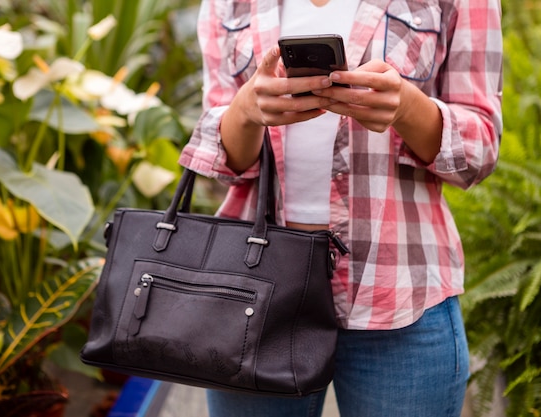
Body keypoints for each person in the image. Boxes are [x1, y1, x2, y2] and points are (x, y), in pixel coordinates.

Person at [178, 0, 503, 416]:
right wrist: (245, 111)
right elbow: (228, 165)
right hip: (256, 292)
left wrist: (406, 106)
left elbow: (480, 150)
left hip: (400, 288)